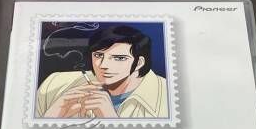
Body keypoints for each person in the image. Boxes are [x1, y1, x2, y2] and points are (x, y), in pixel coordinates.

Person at [36, 24, 168, 119]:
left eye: (119, 58)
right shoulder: (54, 84)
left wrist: (110, 119)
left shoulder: (167, 96)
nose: (103, 65)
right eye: (98, 55)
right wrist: (51, 117)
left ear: (139, 63)